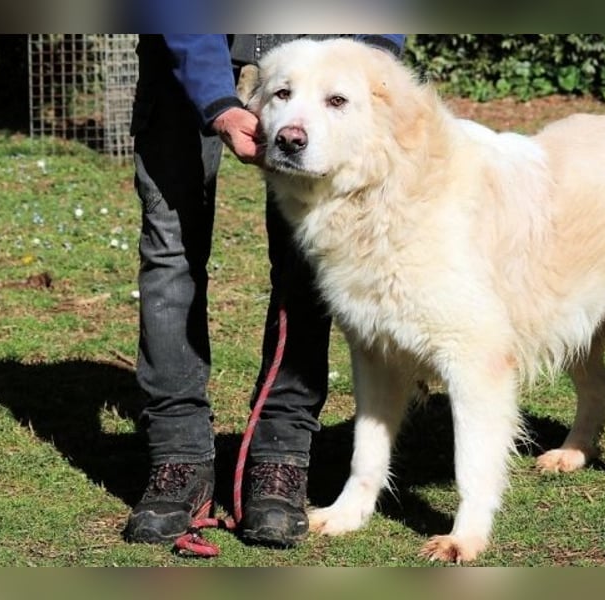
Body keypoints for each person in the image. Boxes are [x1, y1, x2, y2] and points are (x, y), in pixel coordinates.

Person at [123, 34, 405, 548]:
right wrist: (218, 100)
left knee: (305, 260)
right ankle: (178, 458)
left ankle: (281, 456)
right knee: (171, 249)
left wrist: (366, 55)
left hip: (316, 46)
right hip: (185, 45)